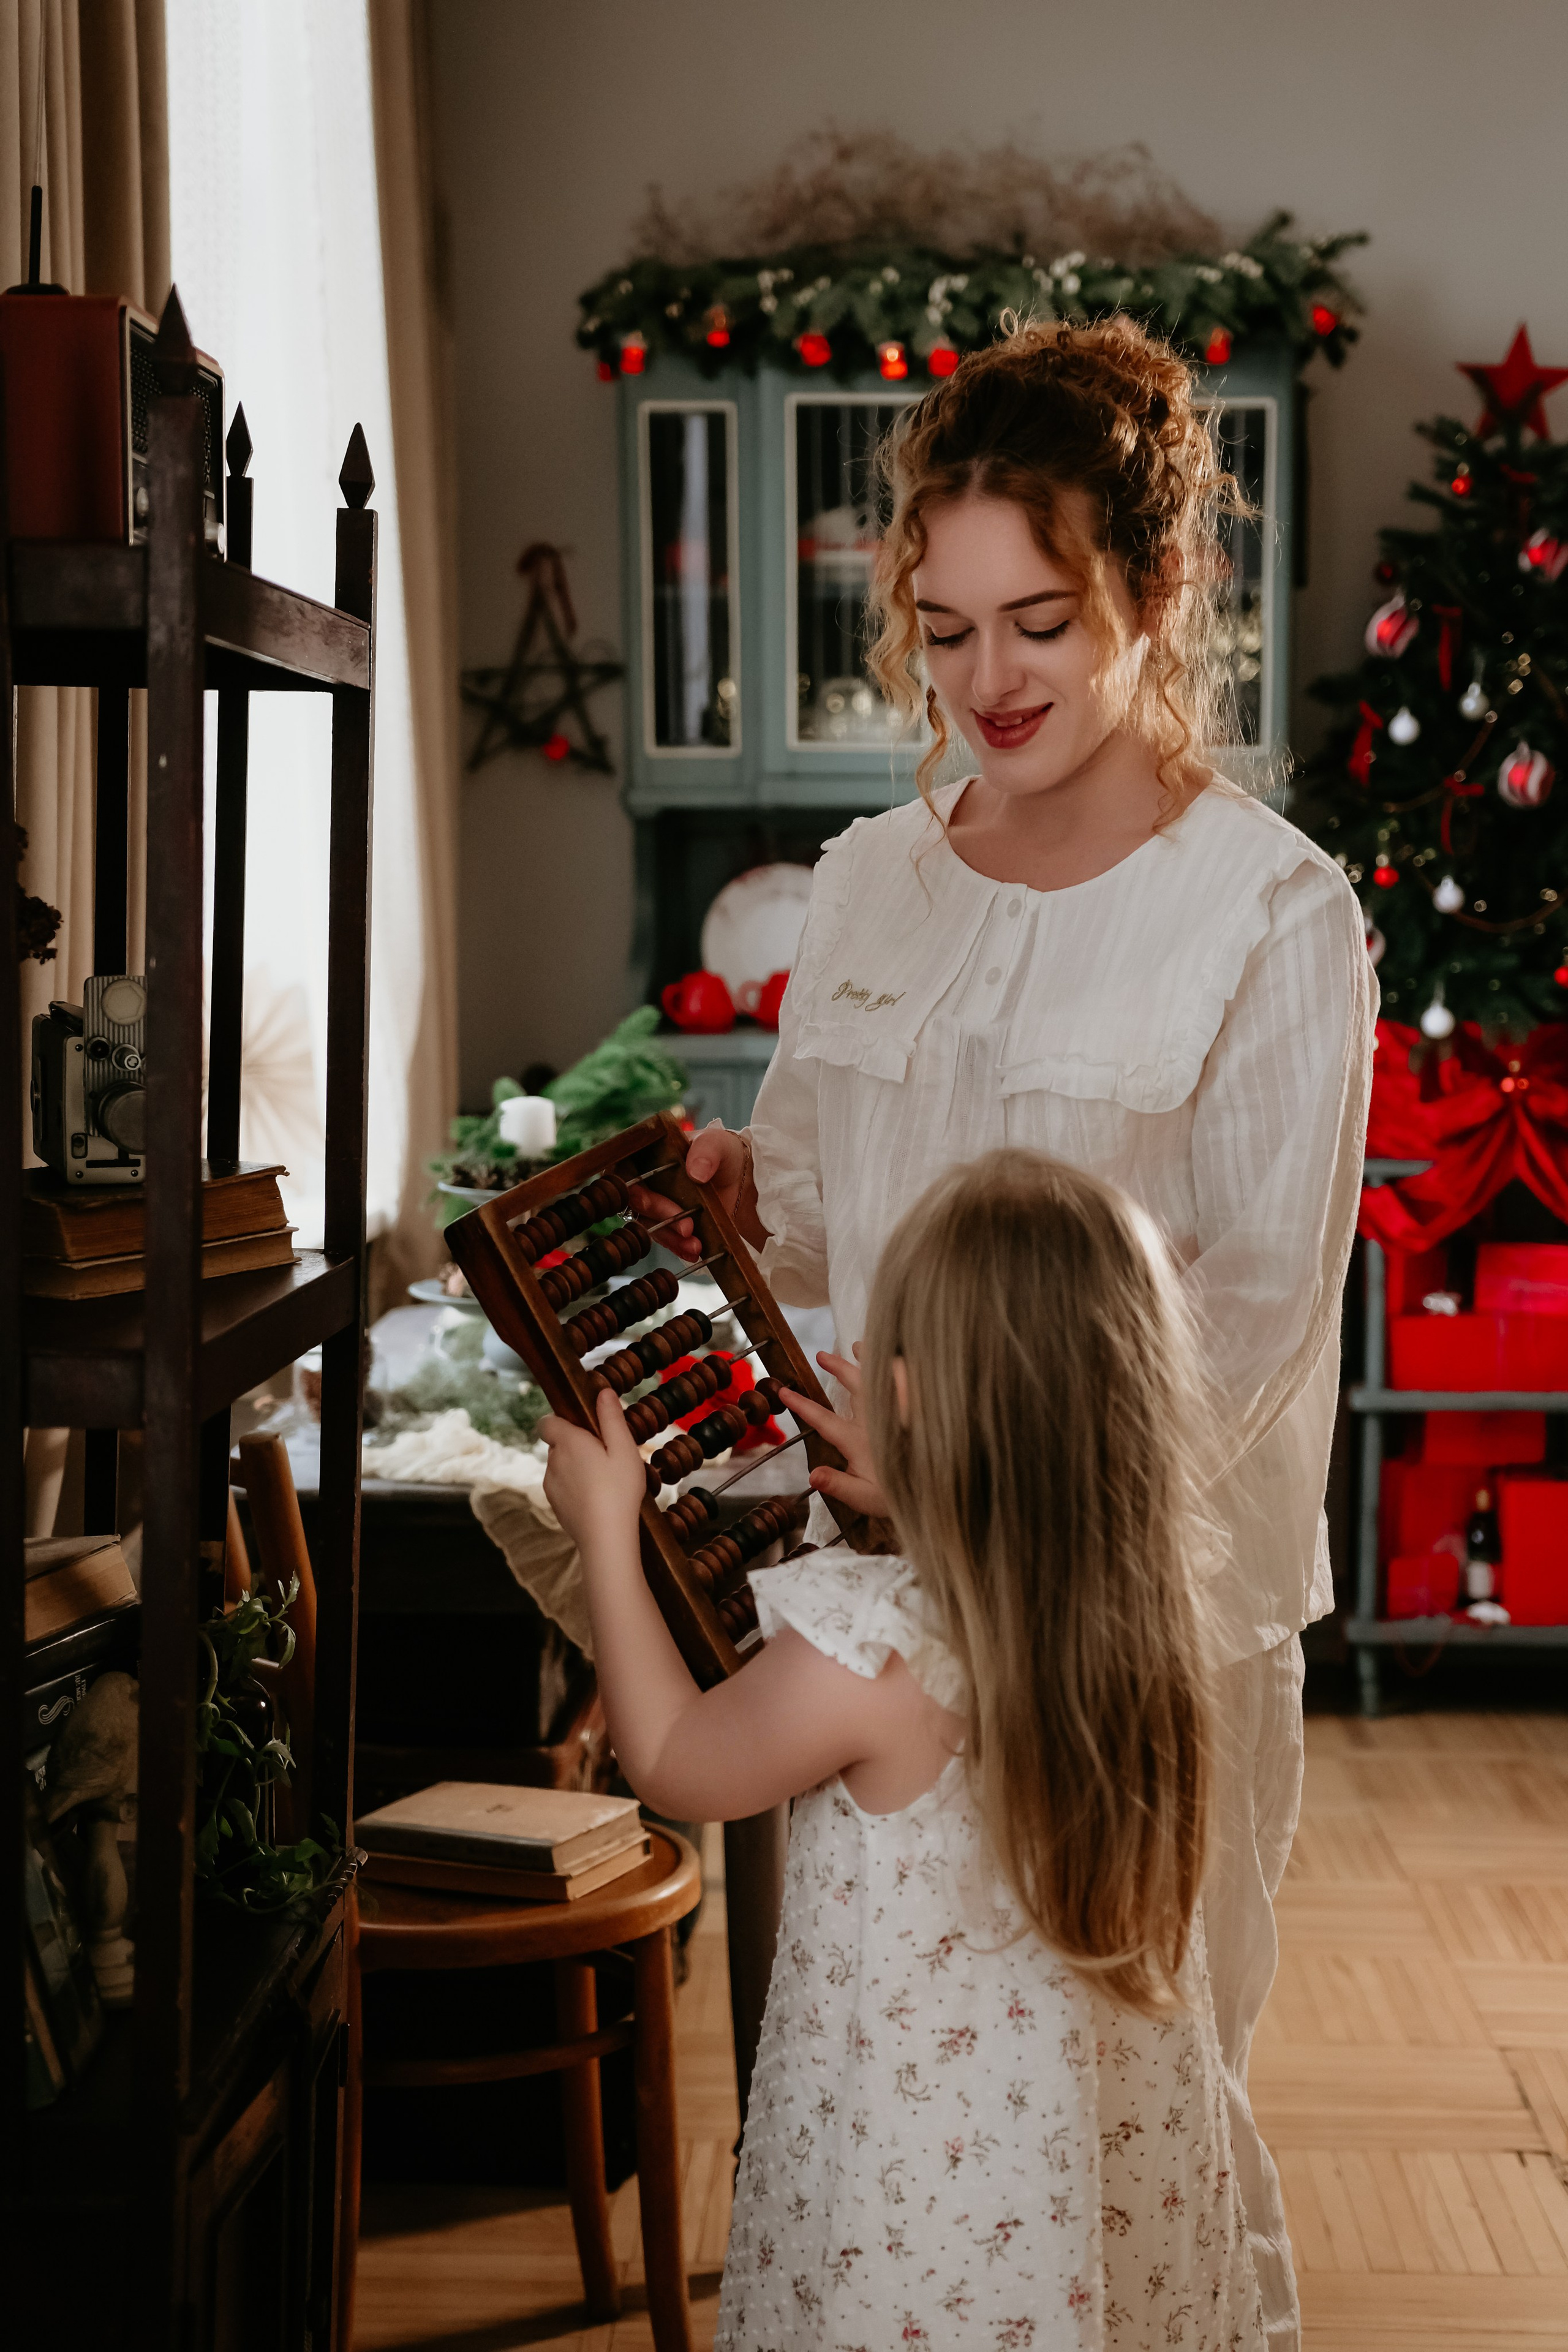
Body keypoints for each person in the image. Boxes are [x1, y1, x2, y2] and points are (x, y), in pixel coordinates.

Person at [635, 314, 1375, 2349]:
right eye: (944, 631)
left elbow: (1249, 1326)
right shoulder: (867, 882)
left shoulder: (1272, 912)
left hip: (1135, 1641)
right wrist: (732, 1234)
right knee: (903, 2130)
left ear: (1156, 595)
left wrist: (979, 1499)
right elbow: (805, 1245)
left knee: (1154, 2126)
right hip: (873, 1630)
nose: (989, 684)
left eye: (1039, 622)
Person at [541, 1148, 1264, 2348]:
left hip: (912, 2206)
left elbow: (671, 1758)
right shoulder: (1142, 1615)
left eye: (882, 1345)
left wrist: (608, 1534)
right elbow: (1005, 1540)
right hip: (1064, 2182)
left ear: (923, 1394)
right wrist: (911, 1493)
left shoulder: (871, 1651)